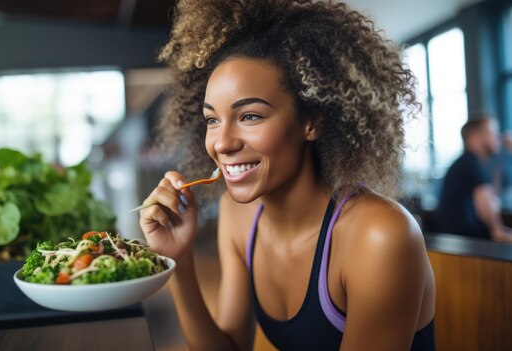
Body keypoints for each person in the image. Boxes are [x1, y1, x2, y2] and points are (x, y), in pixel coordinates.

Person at [139, 0, 436, 349]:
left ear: (311, 121)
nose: (222, 143)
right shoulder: (238, 217)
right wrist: (179, 260)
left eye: (250, 116)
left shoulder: (380, 235)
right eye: (212, 119)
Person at [435, 116, 512, 243]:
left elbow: (492, 199)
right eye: (492, 133)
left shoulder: (465, 162)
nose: (498, 137)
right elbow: (494, 225)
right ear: (476, 137)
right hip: (470, 244)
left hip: (460, 241)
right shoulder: (470, 165)